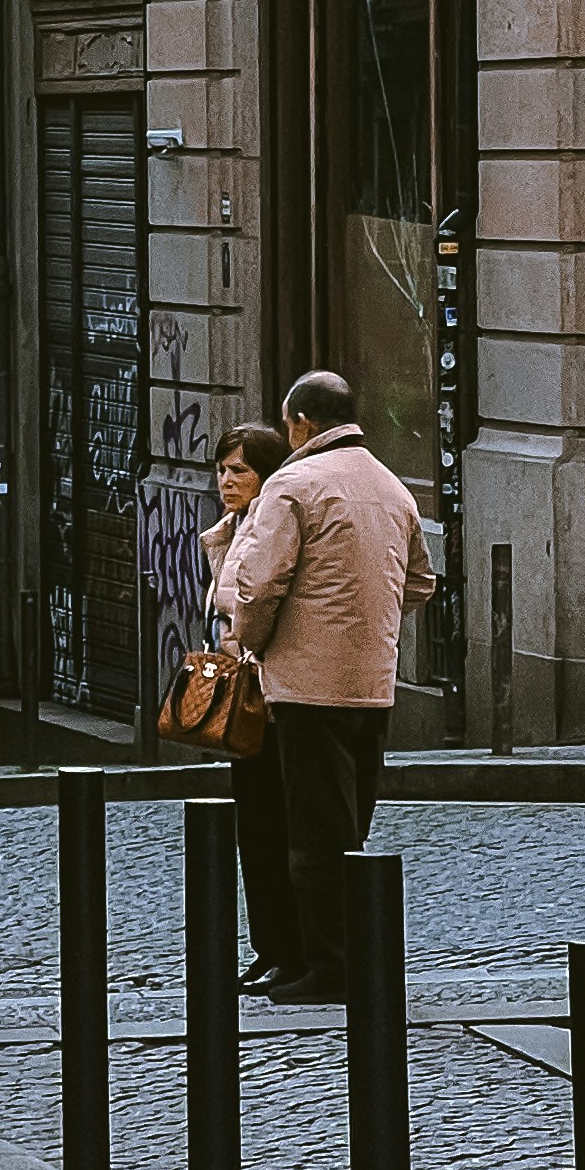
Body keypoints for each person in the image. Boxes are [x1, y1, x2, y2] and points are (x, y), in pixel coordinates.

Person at [219, 368, 434, 1002]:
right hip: (372, 683)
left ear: (302, 424)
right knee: (349, 827)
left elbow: (258, 585)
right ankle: (338, 955)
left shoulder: (295, 482)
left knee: (311, 833)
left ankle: (330, 966)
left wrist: (252, 644)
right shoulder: (393, 487)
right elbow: (420, 582)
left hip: (305, 686)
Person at [202, 420, 300, 992]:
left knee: (279, 822)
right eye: (222, 469)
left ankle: (291, 946)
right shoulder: (231, 528)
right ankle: (269, 945)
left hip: (275, 690)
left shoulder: (275, 521)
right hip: (244, 694)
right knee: (254, 825)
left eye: (239, 469)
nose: (227, 480)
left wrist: (246, 642)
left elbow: (260, 602)